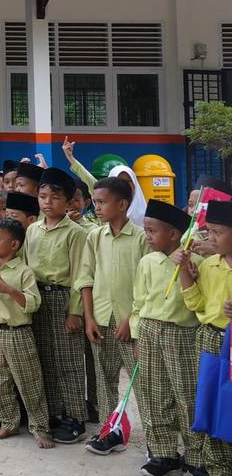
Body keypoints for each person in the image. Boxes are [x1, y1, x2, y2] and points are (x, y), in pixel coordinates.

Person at [129, 200, 202, 476]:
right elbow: (138, 302)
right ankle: (162, 453)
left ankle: (196, 455)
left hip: (181, 334)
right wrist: (137, 337)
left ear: (173, 234)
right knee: (154, 394)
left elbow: (197, 301)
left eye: (152, 231)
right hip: (149, 330)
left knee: (186, 395)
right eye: (145, 230)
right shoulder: (147, 261)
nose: (147, 236)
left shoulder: (194, 261)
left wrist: (188, 271)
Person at [75, 175, 145, 456]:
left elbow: (146, 284)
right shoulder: (94, 236)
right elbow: (85, 278)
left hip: (133, 322)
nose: (97, 207)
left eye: (103, 202)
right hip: (101, 320)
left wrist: (131, 319)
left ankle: (157, 443)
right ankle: (110, 431)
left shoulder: (141, 238)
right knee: (104, 381)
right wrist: (89, 318)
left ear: (122, 204)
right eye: (95, 202)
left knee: (142, 382)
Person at [0, 217, 53, 449]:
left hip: (16, 332)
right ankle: (9, 421)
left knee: (29, 381)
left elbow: (34, 303)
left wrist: (9, 290)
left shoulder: (24, 272)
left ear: (14, 245)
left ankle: (39, 428)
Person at [26, 167, 89, 444]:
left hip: (63, 297)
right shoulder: (32, 230)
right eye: (42, 196)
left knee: (69, 360)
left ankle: (76, 417)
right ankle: (53, 412)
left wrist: (76, 312)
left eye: (54, 197)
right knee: (45, 358)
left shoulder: (75, 233)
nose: (47, 202)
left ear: (67, 201)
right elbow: (27, 269)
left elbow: (80, 275)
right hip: (39, 298)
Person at [178, 200, 232, 474]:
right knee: (210, 404)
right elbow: (196, 303)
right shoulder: (210, 265)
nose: (211, 238)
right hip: (210, 340)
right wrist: (186, 272)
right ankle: (216, 465)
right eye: (209, 231)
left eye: (218, 232)